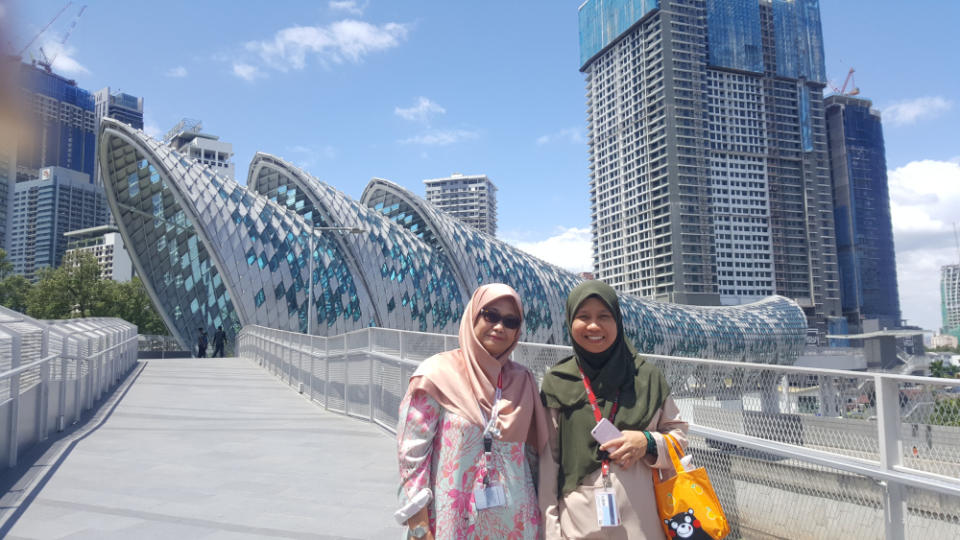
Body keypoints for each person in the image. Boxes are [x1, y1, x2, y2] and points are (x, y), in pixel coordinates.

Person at [395, 284, 548, 540]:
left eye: (510, 321)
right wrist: (419, 528)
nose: (499, 327)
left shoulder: (523, 380)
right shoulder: (436, 374)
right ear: (473, 316)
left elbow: (534, 458)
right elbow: (411, 459)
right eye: (490, 315)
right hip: (451, 523)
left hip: (516, 525)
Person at [539, 281, 688, 539]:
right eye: (583, 316)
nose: (594, 326)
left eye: (604, 316)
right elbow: (547, 464)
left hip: (645, 525)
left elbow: (680, 439)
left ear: (618, 321)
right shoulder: (557, 381)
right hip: (579, 527)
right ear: (570, 321)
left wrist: (647, 442)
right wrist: (551, 532)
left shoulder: (647, 377)